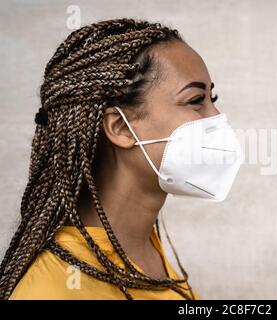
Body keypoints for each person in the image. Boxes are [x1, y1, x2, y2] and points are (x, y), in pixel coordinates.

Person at [0, 18, 242, 300]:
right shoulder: (53, 290)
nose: (217, 118)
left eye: (212, 98)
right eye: (195, 100)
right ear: (121, 127)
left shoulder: (139, 247)